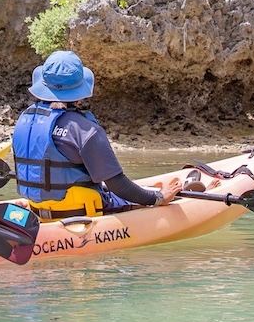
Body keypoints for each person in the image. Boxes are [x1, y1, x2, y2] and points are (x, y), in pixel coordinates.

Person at [11, 50, 182, 215]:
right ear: (78, 95)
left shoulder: (24, 121)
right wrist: (158, 198)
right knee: (129, 197)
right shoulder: (85, 130)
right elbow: (119, 185)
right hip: (79, 212)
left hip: (37, 207)